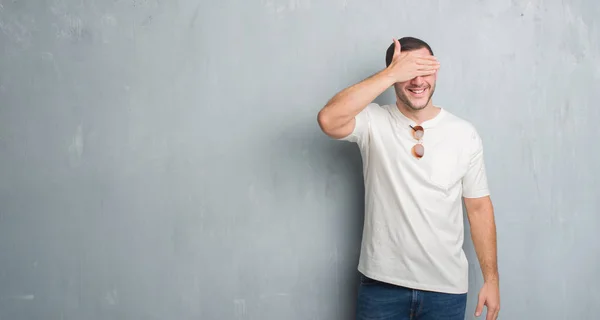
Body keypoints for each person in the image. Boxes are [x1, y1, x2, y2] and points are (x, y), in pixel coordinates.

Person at [316, 36, 500, 320]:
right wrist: (390, 73)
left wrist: (491, 280)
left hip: (446, 290)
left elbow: (478, 208)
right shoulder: (373, 121)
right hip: (382, 287)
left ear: (436, 71)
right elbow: (328, 120)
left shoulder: (464, 133)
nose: (417, 81)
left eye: (424, 70)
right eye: (408, 72)